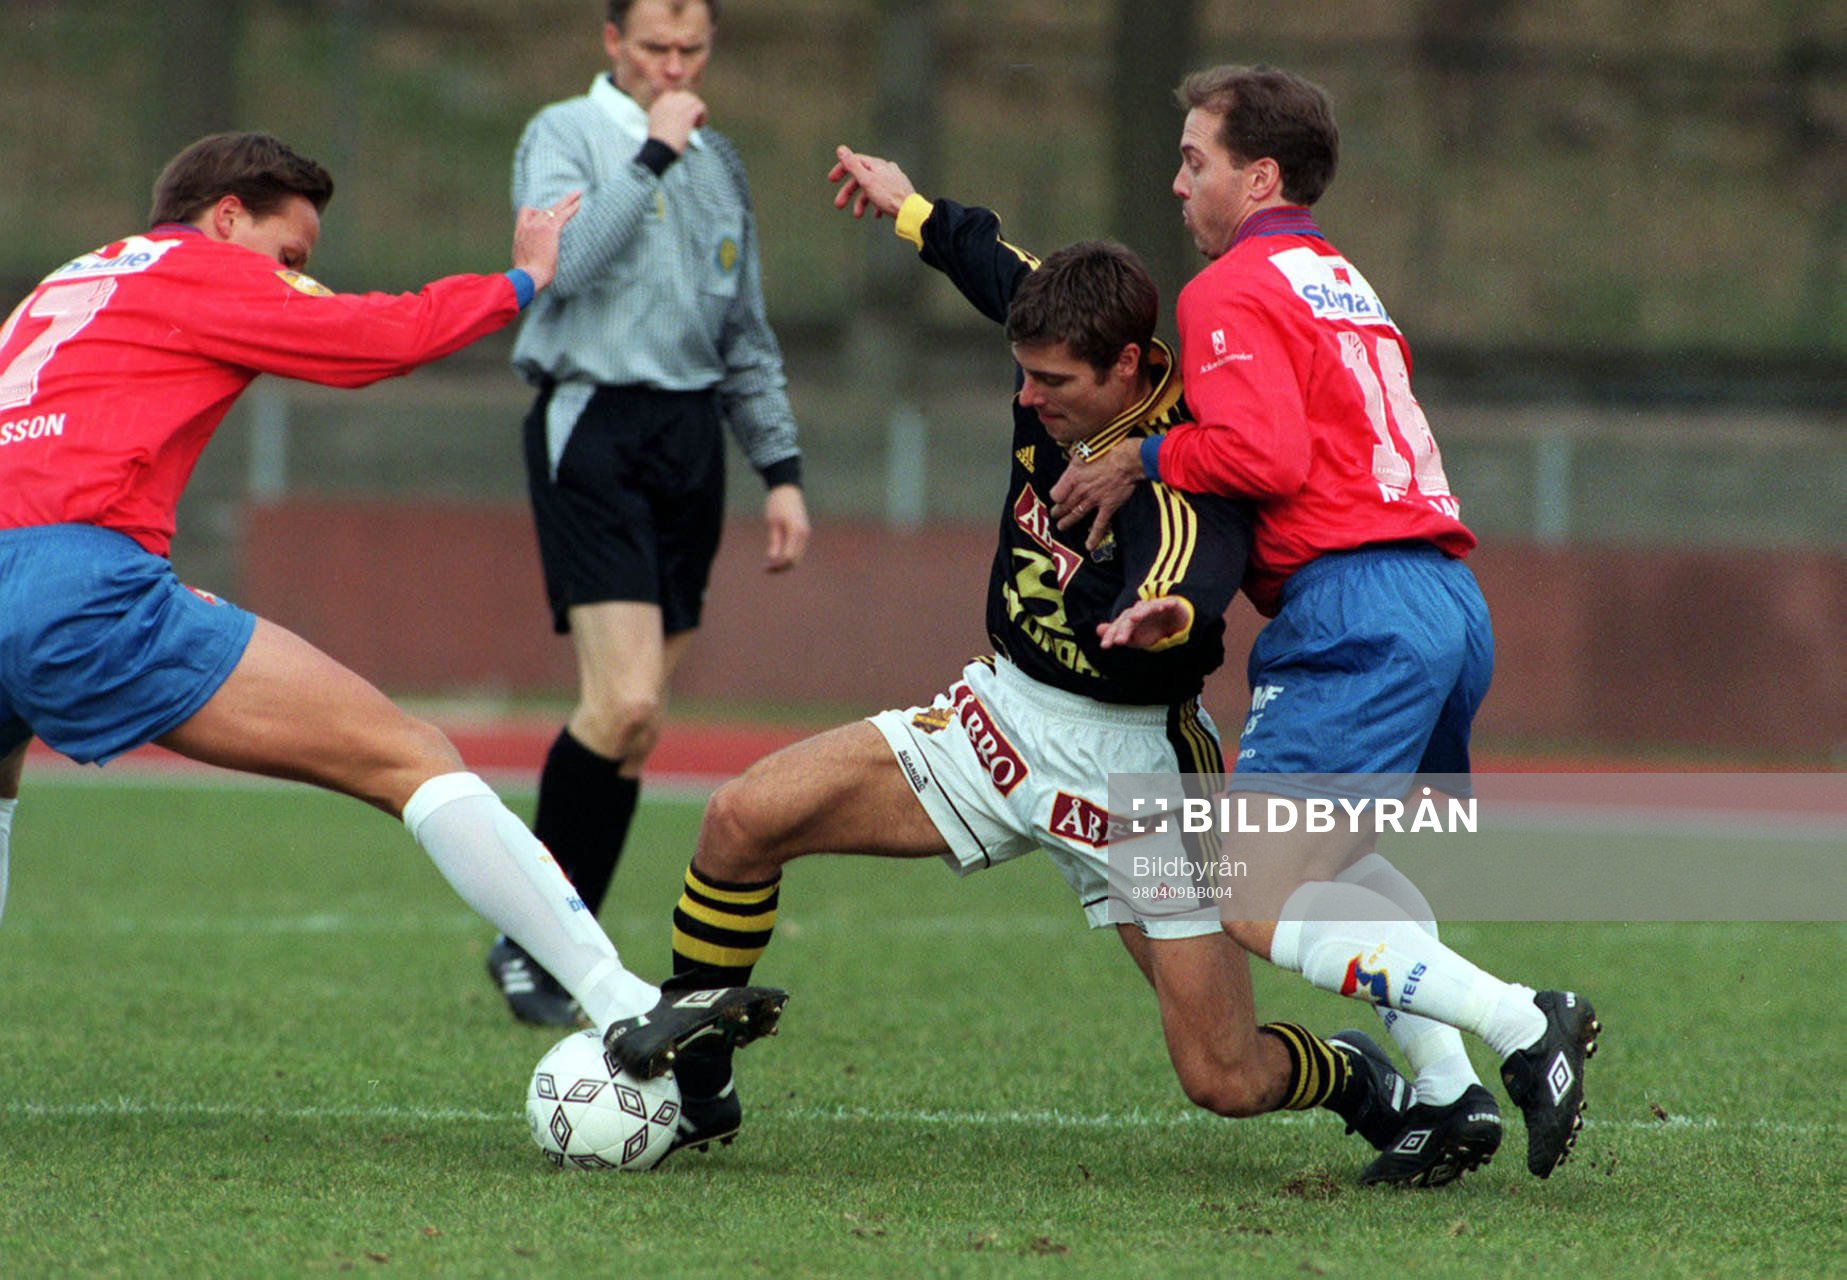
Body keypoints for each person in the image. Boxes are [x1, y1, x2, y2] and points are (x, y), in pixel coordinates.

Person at [607, 145, 1422, 1168]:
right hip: (998, 717)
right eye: (1022, 372)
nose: (1029, 399)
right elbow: (984, 255)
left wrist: (1157, 613)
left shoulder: (1185, 456)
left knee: (1225, 1075)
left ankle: (1354, 1073)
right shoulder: (1059, 328)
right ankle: (699, 1081)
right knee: (738, 818)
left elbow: (1192, 559)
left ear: (1125, 366)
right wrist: (905, 206)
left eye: (1053, 383)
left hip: (1135, 775)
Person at [0, 130, 784, 1080]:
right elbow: (382, 335)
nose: (294, 279)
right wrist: (523, 279)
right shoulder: (199, 267)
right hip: (77, 582)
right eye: (290, 257)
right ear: (227, 216)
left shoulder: (70, 281)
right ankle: (623, 1003)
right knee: (410, 755)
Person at [1048, 65, 1600, 1182]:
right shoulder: (1335, 274)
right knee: (1342, 861)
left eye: (1194, 160)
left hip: (1356, 606)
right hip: (1441, 597)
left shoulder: (1227, 289)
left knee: (1251, 894)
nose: (1176, 182)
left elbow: (1263, 456)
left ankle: (1522, 1022)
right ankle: (1445, 1098)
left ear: (1257, 177)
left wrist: (1135, 457)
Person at [492, 0, 812, 1027]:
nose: (674, 66)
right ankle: (531, 931)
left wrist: (780, 468)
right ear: (611, 44)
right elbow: (563, 268)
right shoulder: (565, 134)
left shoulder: (720, 163)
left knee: (631, 727)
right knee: (624, 702)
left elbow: (746, 330)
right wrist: (652, 155)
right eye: (655, 48)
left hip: (689, 442)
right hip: (593, 423)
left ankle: (551, 932)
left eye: (692, 49)